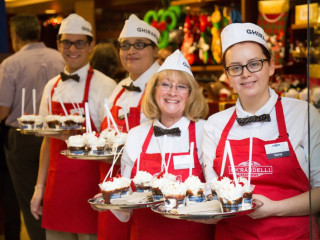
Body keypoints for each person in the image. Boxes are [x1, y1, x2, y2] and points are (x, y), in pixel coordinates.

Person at [202, 22, 320, 239]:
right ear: (227, 76)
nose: (245, 74)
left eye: (254, 64)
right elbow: (213, 194)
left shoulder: (304, 115)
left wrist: (274, 207)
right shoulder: (214, 124)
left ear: (271, 66)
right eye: (236, 68)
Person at [100, 49, 215, 240]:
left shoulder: (205, 131)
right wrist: (111, 197)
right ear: (153, 90)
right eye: (165, 84)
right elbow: (125, 206)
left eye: (181, 87)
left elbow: (214, 196)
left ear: (191, 94)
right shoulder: (136, 136)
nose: (172, 92)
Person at [30, 13, 116, 240]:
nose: (72, 48)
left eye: (80, 42)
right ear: (58, 45)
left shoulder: (106, 85)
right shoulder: (51, 86)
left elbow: (114, 144)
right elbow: (47, 142)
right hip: (57, 188)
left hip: (91, 187)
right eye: (66, 42)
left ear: (91, 45)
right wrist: (39, 187)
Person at [0, 13, 65, 240]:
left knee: (31, 198)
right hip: (59, 134)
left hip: (23, 138)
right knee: (58, 194)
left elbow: (3, 110)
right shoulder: (60, 58)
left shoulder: (10, 64)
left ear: (15, 36)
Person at [97, 14, 160, 239]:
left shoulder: (165, 86)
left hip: (145, 189)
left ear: (155, 50)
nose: (130, 51)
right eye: (125, 45)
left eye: (139, 45)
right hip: (112, 184)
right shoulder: (120, 86)